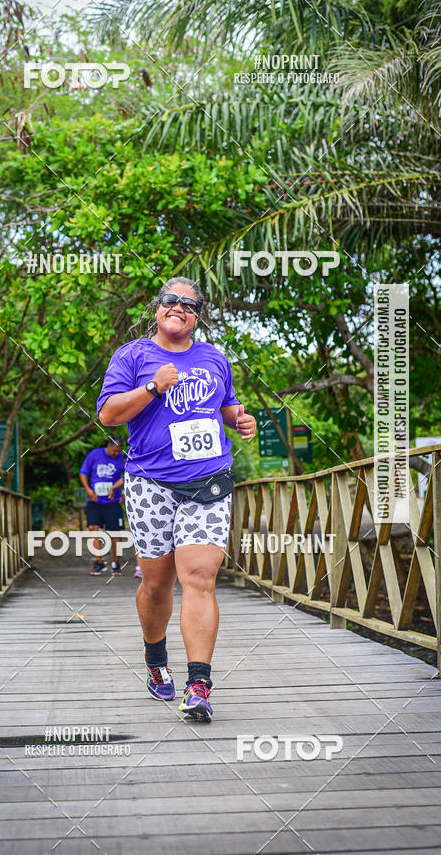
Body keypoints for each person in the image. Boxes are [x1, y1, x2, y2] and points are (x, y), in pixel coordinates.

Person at [97, 277, 256, 721]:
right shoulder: (132, 356)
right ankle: (155, 660)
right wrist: (152, 387)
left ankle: (200, 684)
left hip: (207, 480)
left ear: (197, 316)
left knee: (200, 578)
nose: (179, 308)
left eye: (190, 304)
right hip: (150, 483)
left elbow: (228, 410)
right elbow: (108, 414)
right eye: (172, 300)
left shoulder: (213, 358)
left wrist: (243, 423)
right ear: (158, 308)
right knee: (157, 584)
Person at [79, 436, 126, 576]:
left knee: (115, 533)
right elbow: (83, 473)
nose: (116, 454)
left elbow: (128, 475)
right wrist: (88, 490)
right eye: (114, 450)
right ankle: (99, 562)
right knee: (93, 528)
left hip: (113, 501)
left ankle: (116, 563)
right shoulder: (95, 454)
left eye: (119, 451)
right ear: (109, 445)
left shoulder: (122, 458)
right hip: (95, 500)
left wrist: (121, 491)